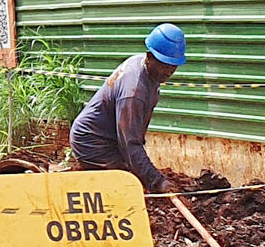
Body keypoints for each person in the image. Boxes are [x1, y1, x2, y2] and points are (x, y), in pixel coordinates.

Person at [67, 23, 185, 192]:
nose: (169, 71)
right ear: (149, 56)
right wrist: (157, 181)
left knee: (134, 175)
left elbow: (133, 139)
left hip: (111, 138)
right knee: (126, 187)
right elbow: (130, 144)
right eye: (165, 65)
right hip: (92, 143)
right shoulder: (133, 91)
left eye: (174, 66)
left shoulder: (146, 68)